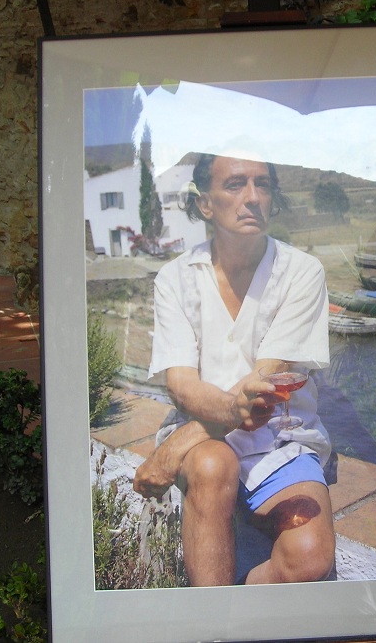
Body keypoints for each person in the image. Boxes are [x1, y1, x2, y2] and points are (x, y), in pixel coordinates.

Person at [133, 153, 336, 587]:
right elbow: (181, 384)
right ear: (205, 203)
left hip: (280, 437)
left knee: (309, 557)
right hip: (206, 438)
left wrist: (175, 446)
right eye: (235, 184)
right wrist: (209, 423)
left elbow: (267, 384)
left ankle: (236, 604)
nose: (252, 197)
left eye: (263, 184)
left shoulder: (301, 273)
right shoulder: (175, 279)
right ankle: (215, 615)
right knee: (212, 466)